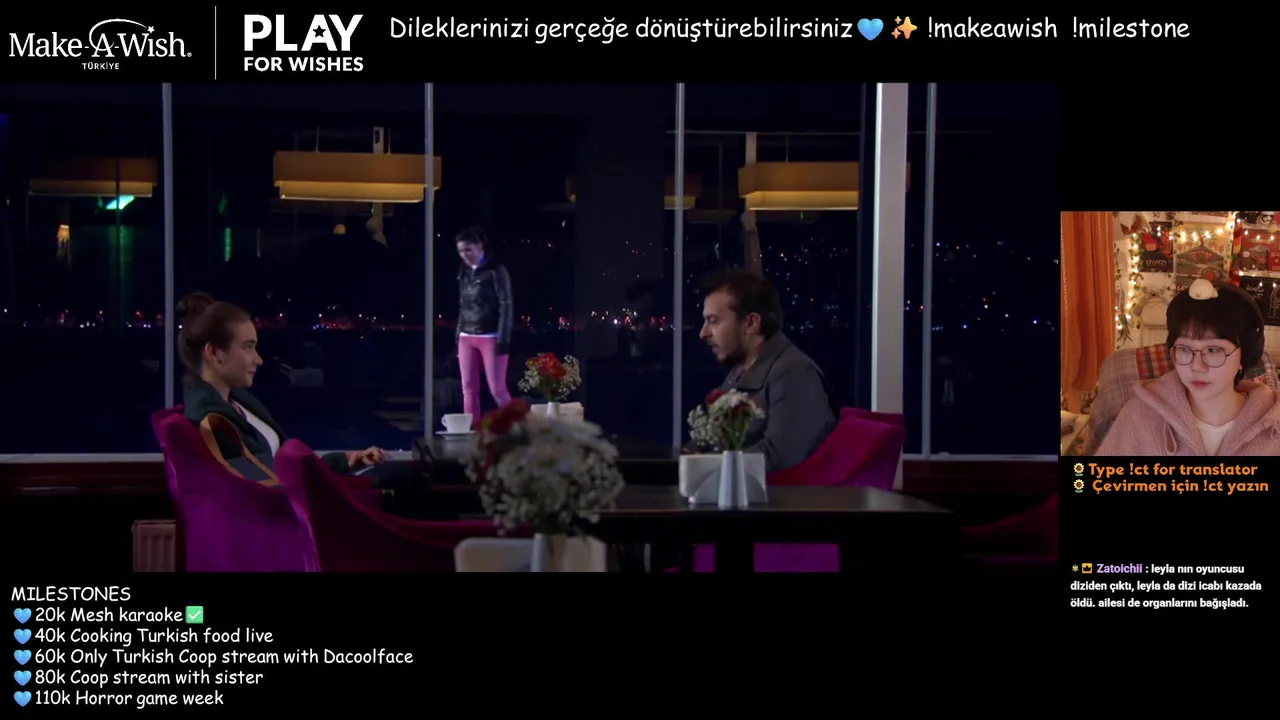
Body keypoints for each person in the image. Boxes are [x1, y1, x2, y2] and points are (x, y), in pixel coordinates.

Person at [176, 293, 434, 515]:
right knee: (403, 479)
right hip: (293, 513)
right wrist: (338, 469)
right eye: (248, 347)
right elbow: (271, 481)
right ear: (214, 353)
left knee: (403, 476)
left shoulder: (236, 401)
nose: (258, 359)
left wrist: (346, 460)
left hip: (298, 498)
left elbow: (282, 464)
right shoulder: (214, 420)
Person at [1097, 278, 1280, 456]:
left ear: (1244, 354)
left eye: (1213, 350)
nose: (1197, 366)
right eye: (1184, 349)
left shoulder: (1274, 425)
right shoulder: (1138, 417)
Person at [696, 268, 837, 473]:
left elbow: (779, 456)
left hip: (775, 493)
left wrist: (701, 468)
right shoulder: (742, 370)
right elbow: (711, 440)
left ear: (751, 323)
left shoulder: (794, 373)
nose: (703, 333)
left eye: (713, 321)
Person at [455, 227, 514, 421]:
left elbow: (506, 304)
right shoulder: (464, 272)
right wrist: (458, 333)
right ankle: (472, 429)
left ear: (480, 246)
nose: (465, 255)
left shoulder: (496, 271)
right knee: (468, 389)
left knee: (497, 388)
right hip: (466, 336)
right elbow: (463, 304)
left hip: (490, 335)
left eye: (468, 249)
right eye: (461, 251)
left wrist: (503, 338)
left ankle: (518, 427)